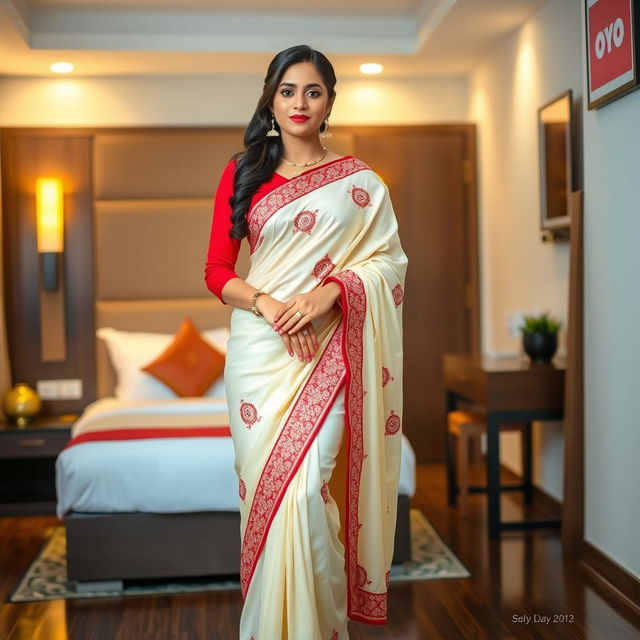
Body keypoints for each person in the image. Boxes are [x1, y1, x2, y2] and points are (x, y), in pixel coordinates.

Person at [204, 44, 408, 640]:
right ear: (271, 97)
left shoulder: (359, 182)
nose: (299, 102)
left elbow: (389, 263)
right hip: (260, 354)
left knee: (309, 492)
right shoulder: (243, 171)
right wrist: (266, 304)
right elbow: (217, 270)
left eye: (312, 91)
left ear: (329, 102)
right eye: (288, 90)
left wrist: (332, 293)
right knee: (274, 497)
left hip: (331, 351)